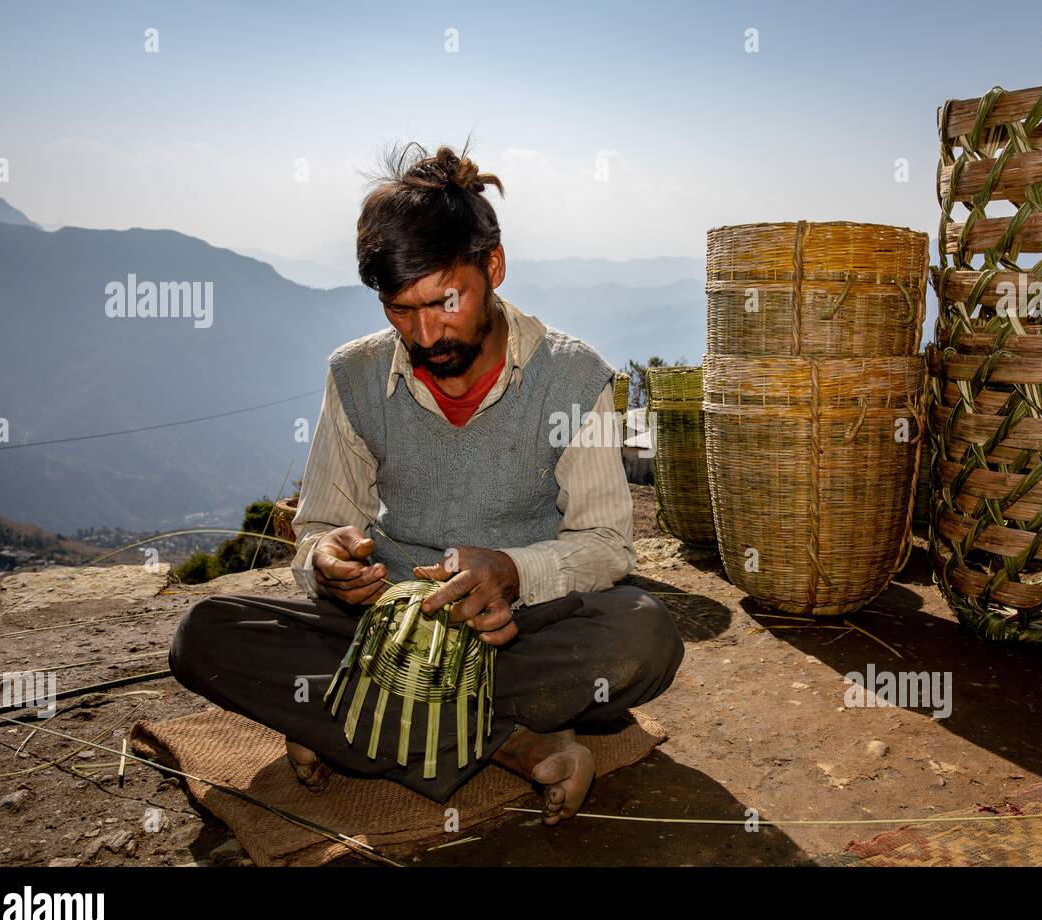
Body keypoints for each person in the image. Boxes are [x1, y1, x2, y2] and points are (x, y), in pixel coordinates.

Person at [169, 141, 683, 826]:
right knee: (203, 635)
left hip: (515, 629)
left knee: (643, 639)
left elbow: (606, 545)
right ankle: (512, 745)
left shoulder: (574, 377)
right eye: (399, 310)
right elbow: (320, 525)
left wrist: (513, 572)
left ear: (492, 266)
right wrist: (325, 562)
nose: (424, 332)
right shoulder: (355, 376)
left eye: (445, 300)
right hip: (381, 629)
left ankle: (353, 723)